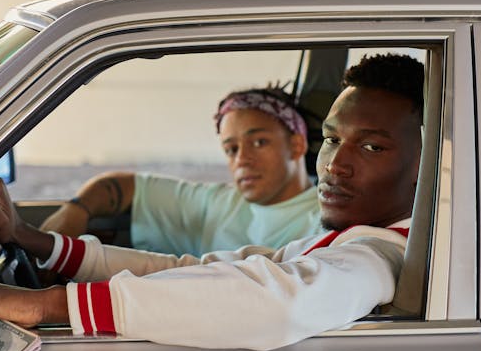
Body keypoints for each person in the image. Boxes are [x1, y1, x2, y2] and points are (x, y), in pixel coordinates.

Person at [0, 53, 424, 351]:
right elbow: (189, 268)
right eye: (333, 140)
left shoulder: (377, 258)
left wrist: (45, 304)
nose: (335, 165)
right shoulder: (338, 238)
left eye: (372, 147)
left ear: (430, 164)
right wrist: (34, 240)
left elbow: (282, 302)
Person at [42, 84, 319, 253]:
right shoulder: (217, 204)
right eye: (231, 149)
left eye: (259, 142)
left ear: (296, 145)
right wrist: (75, 211)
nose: (242, 159)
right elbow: (128, 186)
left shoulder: (324, 217)